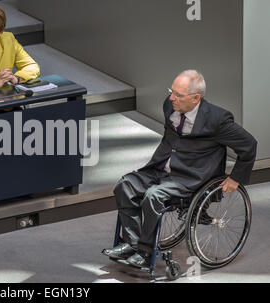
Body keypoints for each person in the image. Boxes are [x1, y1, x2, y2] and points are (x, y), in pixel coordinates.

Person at [102, 70, 257, 268]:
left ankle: (145, 251)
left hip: (190, 176)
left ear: (195, 98)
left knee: (153, 195)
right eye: (171, 91)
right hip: (160, 168)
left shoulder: (217, 120)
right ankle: (132, 243)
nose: (171, 97)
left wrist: (236, 178)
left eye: (178, 95)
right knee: (125, 184)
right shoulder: (170, 105)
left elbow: (249, 144)